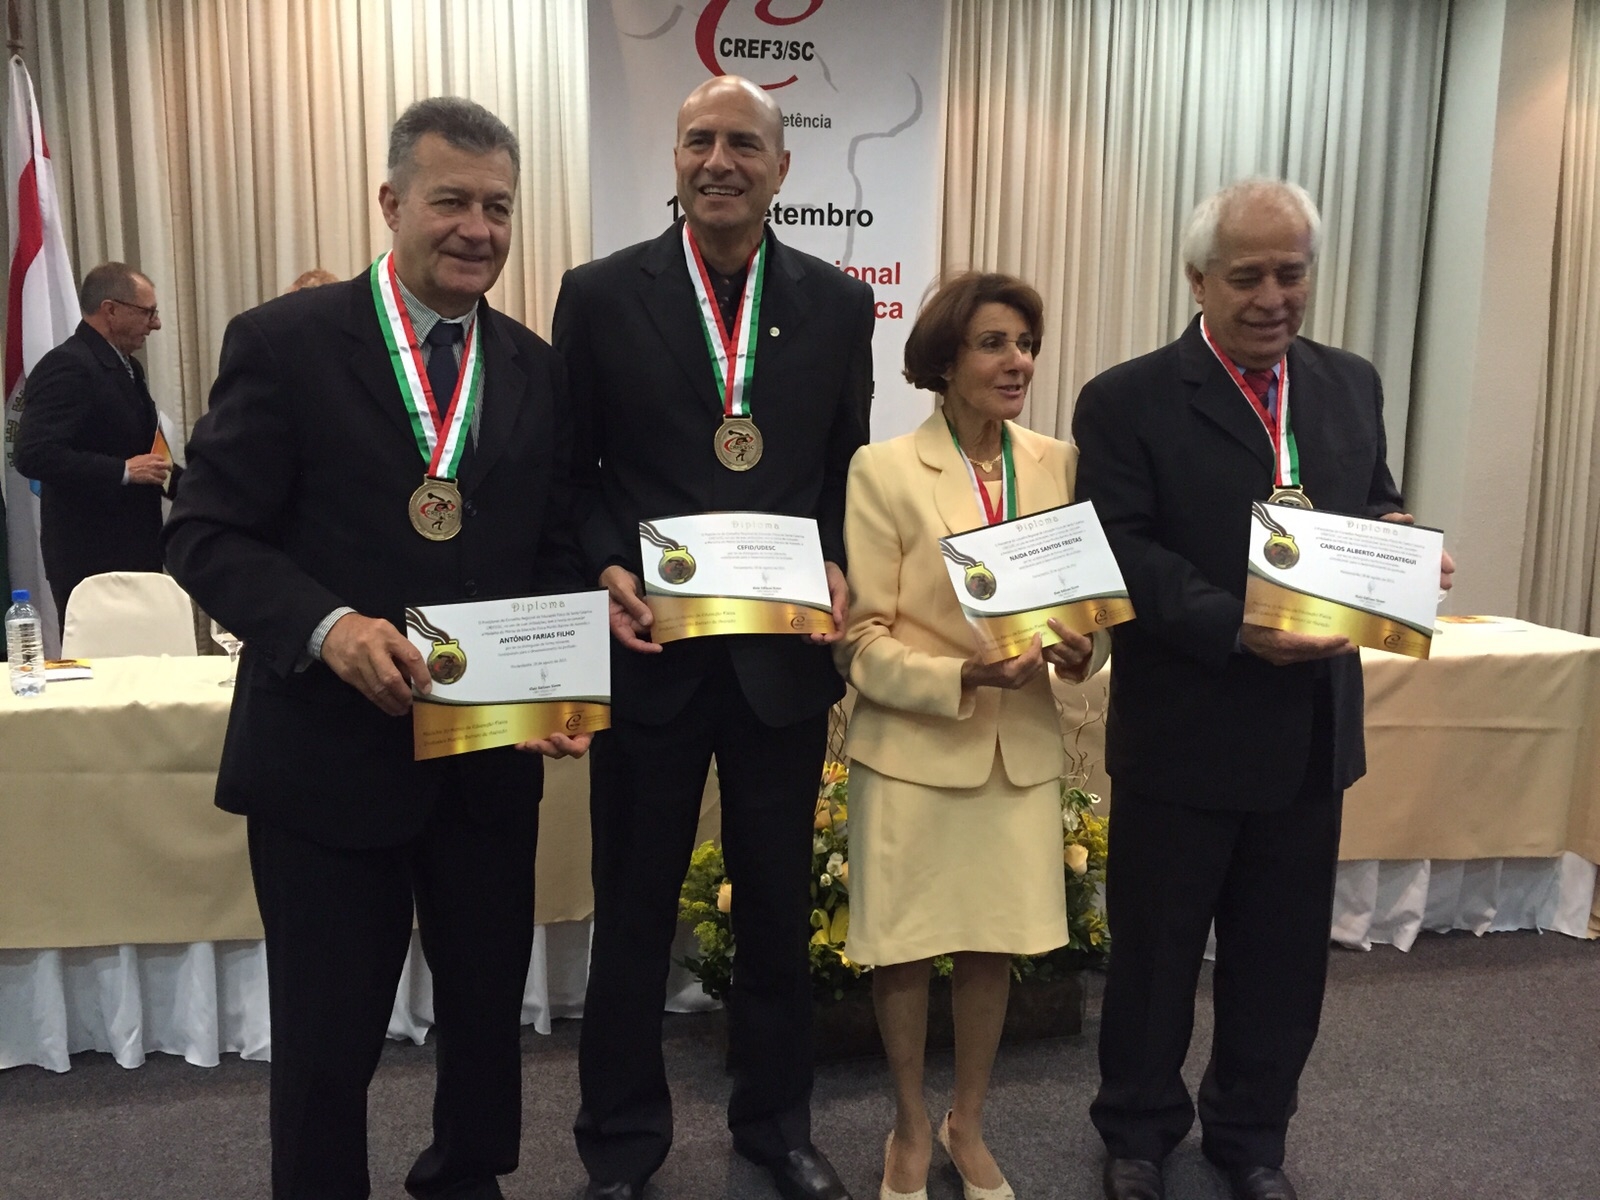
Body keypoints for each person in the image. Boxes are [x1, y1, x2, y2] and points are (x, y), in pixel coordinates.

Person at [162, 97, 587, 1200]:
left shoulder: (535, 369)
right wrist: (327, 625)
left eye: (497, 207)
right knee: (329, 1034)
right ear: (391, 202)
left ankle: (466, 1178)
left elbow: (546, 546)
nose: (477, 229)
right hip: (325, 762)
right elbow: (203, 531)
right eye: (451, 201)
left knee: (489, 1014)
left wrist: (561, 669)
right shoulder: (286, 344)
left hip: (485, 760)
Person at [1071, 179, 1455, 1200]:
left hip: (1307, 731)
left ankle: (1250, 1138)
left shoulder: (1349, 383)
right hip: (1184, 726)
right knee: (1156, 958)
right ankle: (1138, 1135)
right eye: (1248, 275)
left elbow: (1370, 500)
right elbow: (1121, 547)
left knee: (1281, 962)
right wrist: (1226, 623)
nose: (1274, 295)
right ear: (1197, 278)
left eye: (1292, 272)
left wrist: (1399, 553)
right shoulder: (1125, 398)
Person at [554, 75, 873, 1200]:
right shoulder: (597, 296)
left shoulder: (837, 306)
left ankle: (777, 1130)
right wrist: (600, 566)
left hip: (778, 663)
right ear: (675, 159)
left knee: (777, 911)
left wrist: (838, 553)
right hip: (650, 657)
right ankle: (621, 1147)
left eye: (744, 142)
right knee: (633, 915)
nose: (720, 160)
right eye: (700, 140)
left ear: (783, 169)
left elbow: (845, 471)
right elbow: (573, 474)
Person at [836, 272, 1101, 1200]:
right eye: (994, 343)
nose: (1017, 360)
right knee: (906, 947)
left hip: (1016, 753)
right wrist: (962, 675)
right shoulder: (884, 470)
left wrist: (1080, 655)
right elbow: (860, 641)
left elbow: (1086, 617)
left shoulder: (1059, 462)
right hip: (914, 751)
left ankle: (968, 1122)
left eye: (1025, 342)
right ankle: (910, 1124)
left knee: (992, 946)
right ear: (945, 360)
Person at [15, 261, 178, 625]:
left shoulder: (129, 368)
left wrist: (207, 490)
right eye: (148, 312)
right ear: (111, 310)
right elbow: (33, 454)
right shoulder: (67, 365)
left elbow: (148, 458)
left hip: (138, 551)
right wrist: (122, 471)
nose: (156, 324)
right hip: (91, 559)